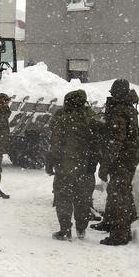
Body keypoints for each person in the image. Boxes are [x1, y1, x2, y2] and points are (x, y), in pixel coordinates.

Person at [45, 89, 100, 240]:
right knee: (83, 199)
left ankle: (65, 230)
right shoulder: (92, 118)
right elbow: (98, 143)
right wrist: (95, 161)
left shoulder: (63, 118)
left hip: (65, 166)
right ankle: (81, 229)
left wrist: (50, 162)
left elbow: (55, 144)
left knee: (63, 198)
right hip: (86, 167)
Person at [92, 79, 139, 245]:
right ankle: (111, 222)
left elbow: (116, 140)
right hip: (126, 156)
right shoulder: (125, 107)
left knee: (119, 193)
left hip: (123, 157)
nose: (111, 94)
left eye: (113, 92)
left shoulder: (120, 111)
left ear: (117, 92)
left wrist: (105, 165)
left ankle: (120, 234)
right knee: (117, 190)